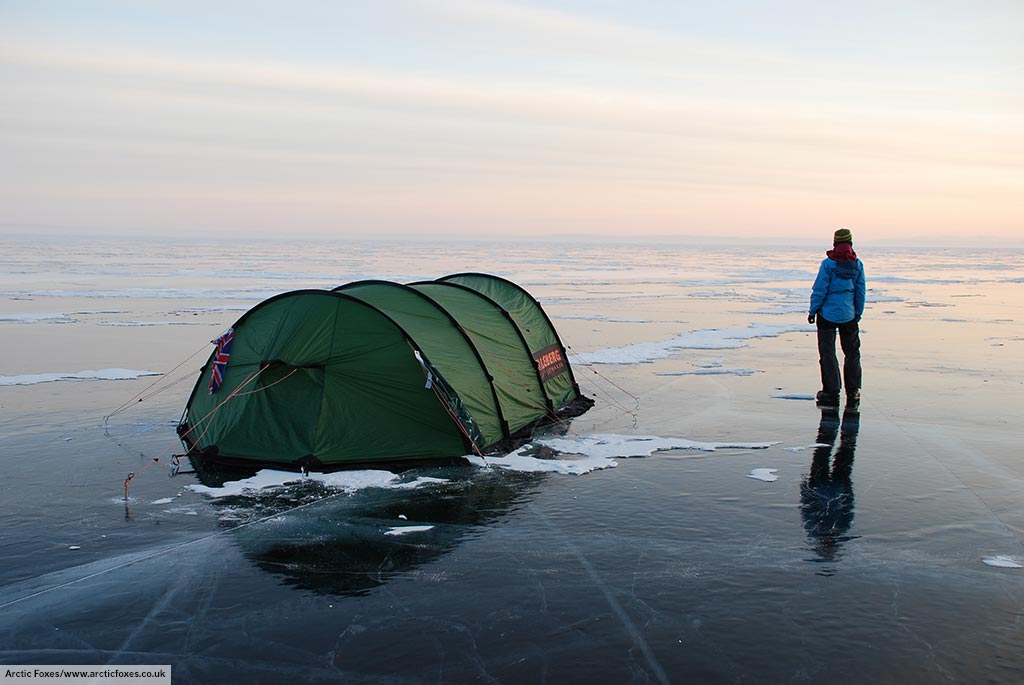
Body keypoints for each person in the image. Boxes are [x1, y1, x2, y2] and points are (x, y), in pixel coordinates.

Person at [808, 227, 865, 405]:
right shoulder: (857, 264)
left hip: (827, 315)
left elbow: (820, 289)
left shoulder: (828, 264)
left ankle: (831, 391)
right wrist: (857, 313)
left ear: (834, 243)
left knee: (827, 353)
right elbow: (860, 291)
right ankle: (853, 390)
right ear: (850, 243)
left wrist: (813, 310)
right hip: (848, 314)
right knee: (852, 353)